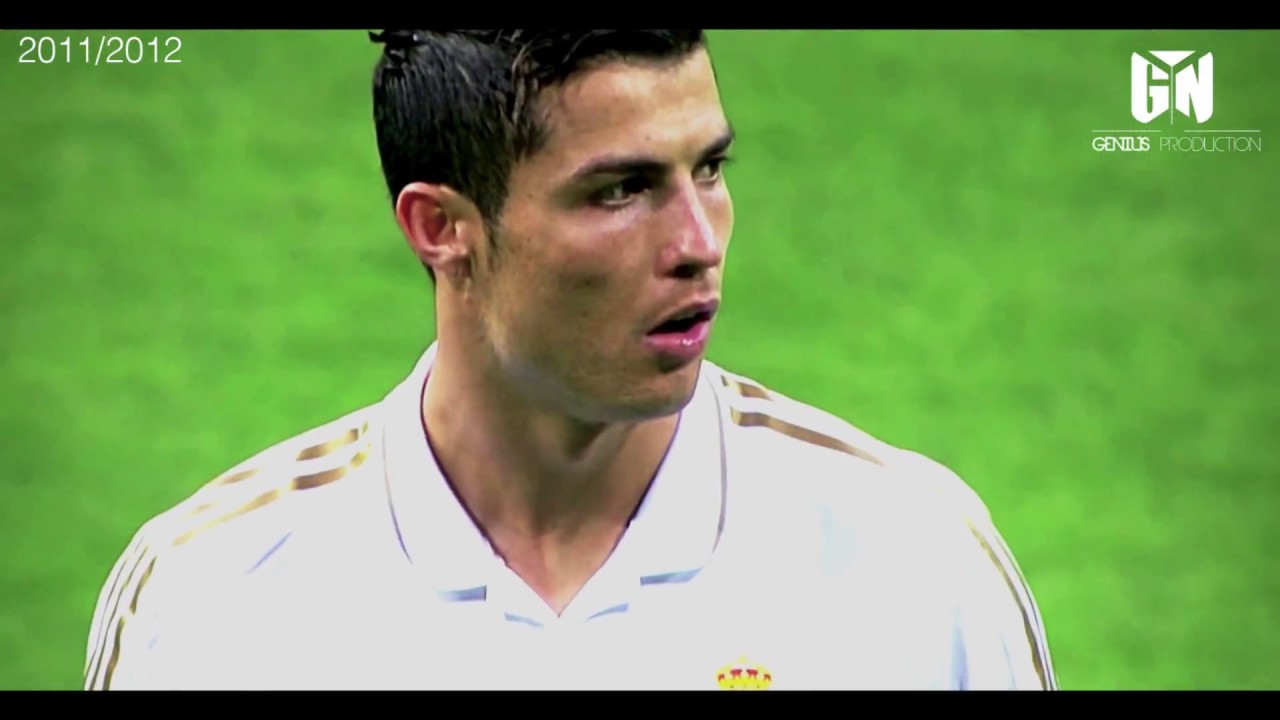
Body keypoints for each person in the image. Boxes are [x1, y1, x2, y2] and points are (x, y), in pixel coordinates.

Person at [82, 29, 1057, 691]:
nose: (698, 243)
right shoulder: (211, 597)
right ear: (442, 228)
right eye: (620, 191)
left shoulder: (913, 559)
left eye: (709, 170)